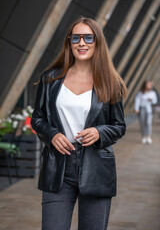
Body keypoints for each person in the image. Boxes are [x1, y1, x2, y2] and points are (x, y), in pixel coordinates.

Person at [31, 17, 127, 230]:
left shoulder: (111, 83)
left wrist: (99, 132)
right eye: (76, 38)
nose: (81, 43)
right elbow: (37, 118)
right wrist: (52, 134)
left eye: (88, 38)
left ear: (97, 42)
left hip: (96, 168)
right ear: (69, 43)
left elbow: (119, 126)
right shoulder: (50, 79)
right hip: (59, 167)